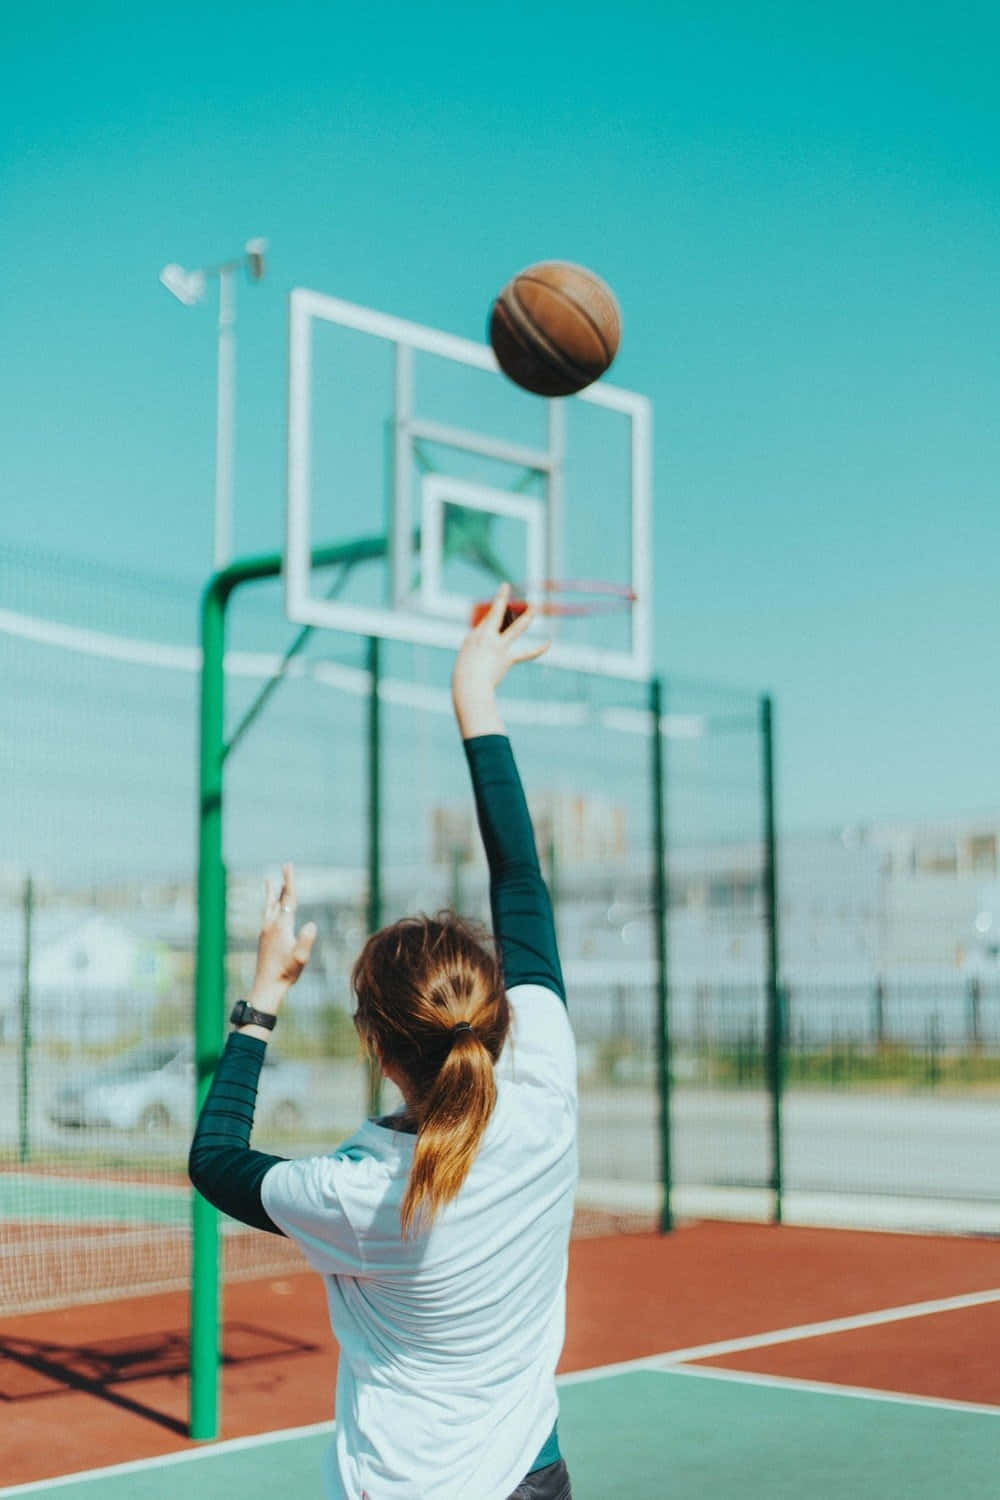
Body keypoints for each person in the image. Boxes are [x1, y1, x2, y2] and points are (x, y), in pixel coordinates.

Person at [188, 584, 577, 1500]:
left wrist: (262, 995)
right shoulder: (546, 1092)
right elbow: (519, 876)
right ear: (493, 1012)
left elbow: (215, 1161)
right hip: (534, 1478)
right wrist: (476, 695)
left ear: (374, 1042)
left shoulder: (357, 1199)